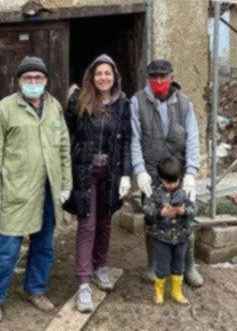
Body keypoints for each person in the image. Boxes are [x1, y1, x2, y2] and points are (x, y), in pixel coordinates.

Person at [0, 56, 72, 322]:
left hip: (48, 189)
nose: (34, 82)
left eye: (38, 77)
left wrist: (66, 184)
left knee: (44, 245)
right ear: (19, 82)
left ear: (46, 81)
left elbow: (64, 148)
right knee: (9, 249)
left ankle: (35, 289)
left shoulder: (54, 107)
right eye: (28, 78)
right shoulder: (5, 109)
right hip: (17, 191)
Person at [63, 54, 132, 314]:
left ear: (115, 77)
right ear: (92, 77)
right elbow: (65, 135)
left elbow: (126, 141)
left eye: (108, 73)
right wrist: (64, 170)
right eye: (99, 73)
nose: (103, 77)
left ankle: (99, 266)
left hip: (111, 173)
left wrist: (126, 174)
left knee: (105, 222)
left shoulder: (123, 104)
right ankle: (83, 283)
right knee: (87, 224)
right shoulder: (79, 100)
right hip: (85, 171)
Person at [130, 59, 203, 287]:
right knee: (152, 216)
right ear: (148, 79)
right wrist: (139, 171)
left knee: (184, 217)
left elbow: (193, 140)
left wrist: (191, 173)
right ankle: (153, 264)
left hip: (177, 172)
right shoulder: (137, 102)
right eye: (154, 77)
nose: (158, 81)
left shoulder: (185, 104)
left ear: (172, 77)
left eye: (163, 76)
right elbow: (134, 139)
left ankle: (188, 266)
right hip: (152, 173)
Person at [143, 155, 196, 306]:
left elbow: (193, 210)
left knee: (179, 265)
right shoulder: (155, 193)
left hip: (182, 238)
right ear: (161, 178)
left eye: (175, 181)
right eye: (168, 182)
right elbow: (147, 211)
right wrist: (161, 213)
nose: (172, 185)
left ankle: (176, 292)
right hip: (162, 238)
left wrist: (183, 211)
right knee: (162, 266)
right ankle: (159, 293)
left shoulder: (184, 192)